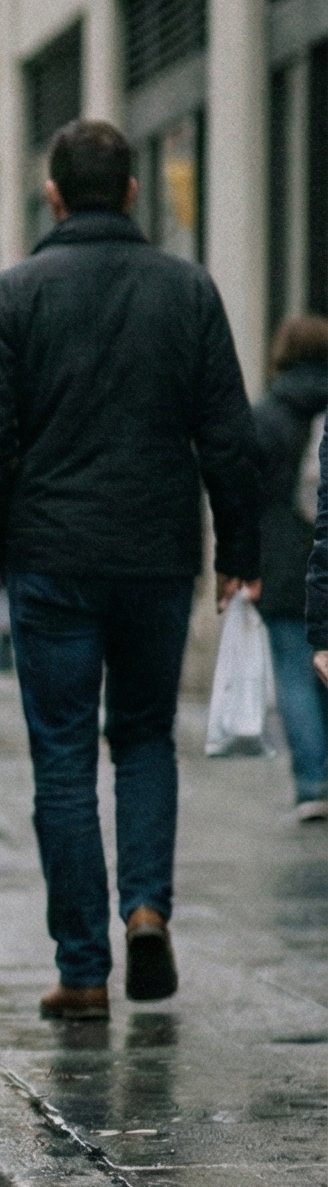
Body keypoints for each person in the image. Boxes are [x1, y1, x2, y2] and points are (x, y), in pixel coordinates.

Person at [0, 118, 259, 1019]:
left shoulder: (15, 296)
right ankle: (148, 909)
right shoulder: (189, 291)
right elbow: (229, 436)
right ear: (132, 191)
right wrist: (238, 550)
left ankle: (83, 969)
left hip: (51, 555)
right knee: (143, 740)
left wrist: (1, 540)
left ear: (53, 195)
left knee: (60, 759)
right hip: (157, 554)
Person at [253, 315, 328, 817]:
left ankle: (313, 783)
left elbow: (242, 494)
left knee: (294, 674)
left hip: (282, 563)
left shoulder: (267, 415)